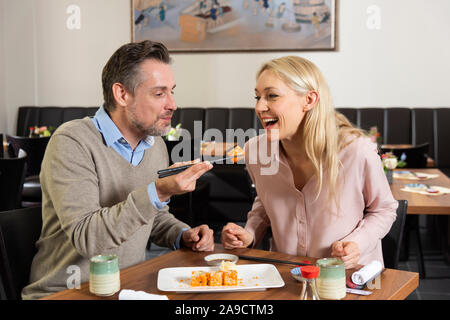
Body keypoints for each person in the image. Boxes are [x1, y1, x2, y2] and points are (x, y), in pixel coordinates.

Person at [22, 40, 214, 299]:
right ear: (122, 94)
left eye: (172, 91)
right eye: (159, 94)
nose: (173, 104)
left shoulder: (155, 145)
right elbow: (89, 239)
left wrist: (182, 234)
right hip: (67, 292)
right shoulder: (72, 141)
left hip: (128, 288)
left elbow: (151, 216)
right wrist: (158, 192)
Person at [221, 56, 397, 269]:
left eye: (272, 96)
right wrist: (249, 233)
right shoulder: (255, 151)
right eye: (257, 97)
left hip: (348, 277)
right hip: (286, 275)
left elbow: (384, 210)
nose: (259, 107)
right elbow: (265, 201)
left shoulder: (356, 150)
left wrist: (357, 244)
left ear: (309, 100)